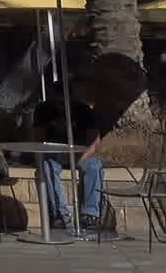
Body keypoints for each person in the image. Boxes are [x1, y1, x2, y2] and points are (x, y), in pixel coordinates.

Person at [32, 81, 113, 232]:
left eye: (64, 99)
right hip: (53, 153)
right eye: (57, 99)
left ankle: (89, 214)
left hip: (79, 154)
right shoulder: (43, 110)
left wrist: (79, 157)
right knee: (47, 165)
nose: (61, 103)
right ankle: (59, 214)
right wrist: (52, 126)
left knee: (95, 165)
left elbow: (94, 142)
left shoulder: (83, 111)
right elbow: (37, 139)